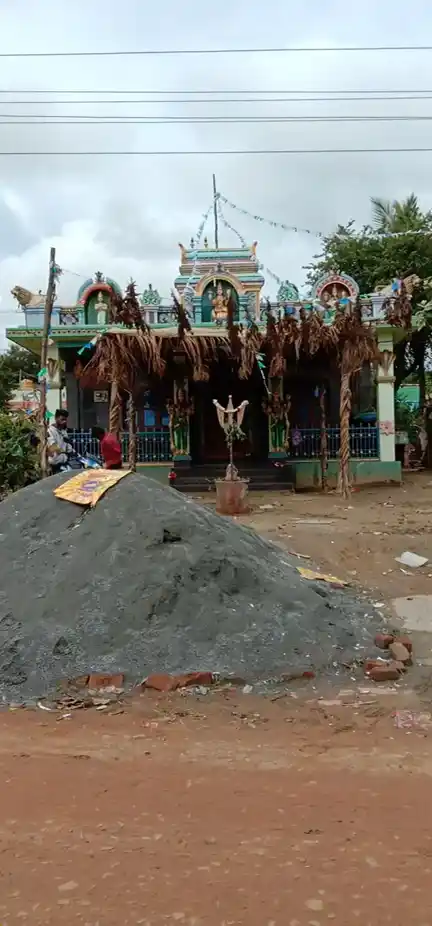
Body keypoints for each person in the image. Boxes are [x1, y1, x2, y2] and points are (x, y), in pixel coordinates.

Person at [47, 409, 72, 474]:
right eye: (62, 419)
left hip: (64, 462)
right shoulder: (50, 431)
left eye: (65, 420)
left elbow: (68, 447)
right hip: (55, 464)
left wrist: (70, 451)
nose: (64, 422)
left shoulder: (63, 431)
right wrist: (63, 452)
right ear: (56, 418)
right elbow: (53, 447)